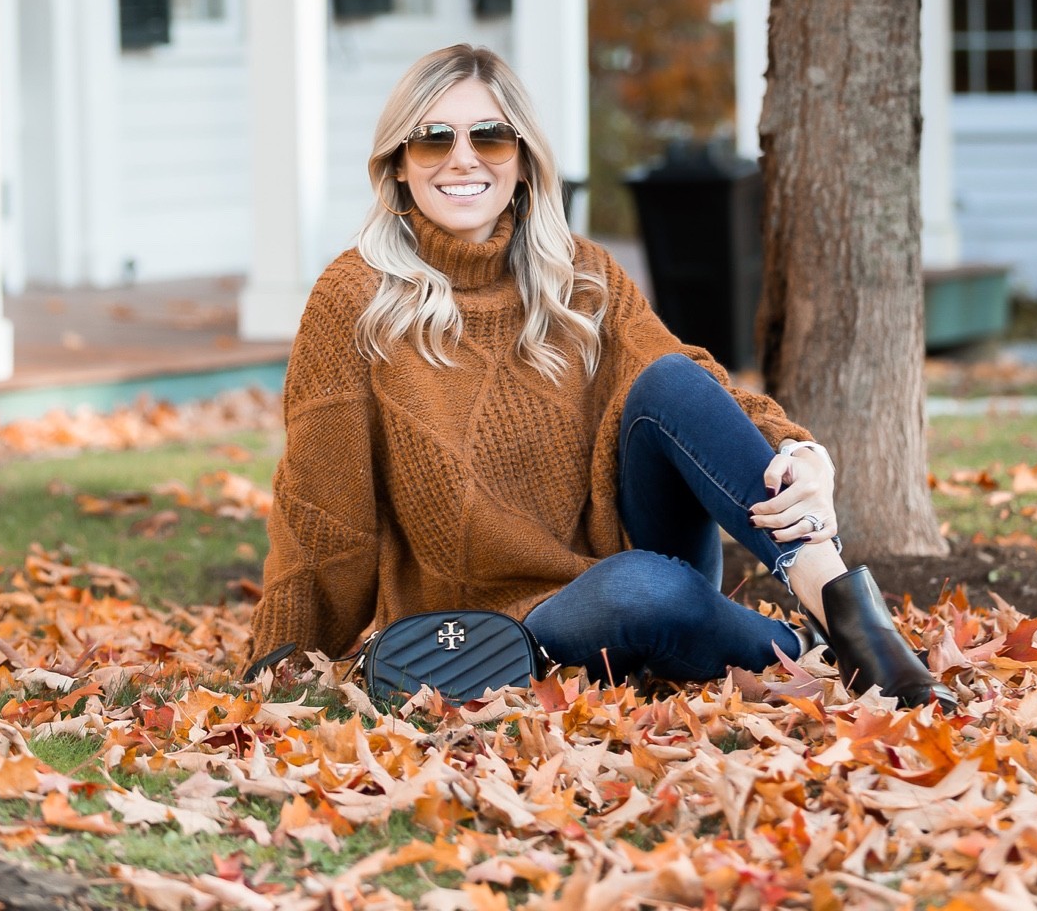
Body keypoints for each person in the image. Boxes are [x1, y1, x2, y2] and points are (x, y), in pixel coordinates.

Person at [246, 44, 952, 706]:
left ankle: (846, 615)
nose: (462, 160)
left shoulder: (576, 272)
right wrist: (280, 662)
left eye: (488, 138)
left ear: (521, 159)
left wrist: (798, 451)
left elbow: (691, 386)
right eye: (433, 139)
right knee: (640, 592)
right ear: (398, 162)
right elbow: (322, 509)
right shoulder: (354, 299)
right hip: (519, 622)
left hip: (636, 546)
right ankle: (790, 646)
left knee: (666, 380)